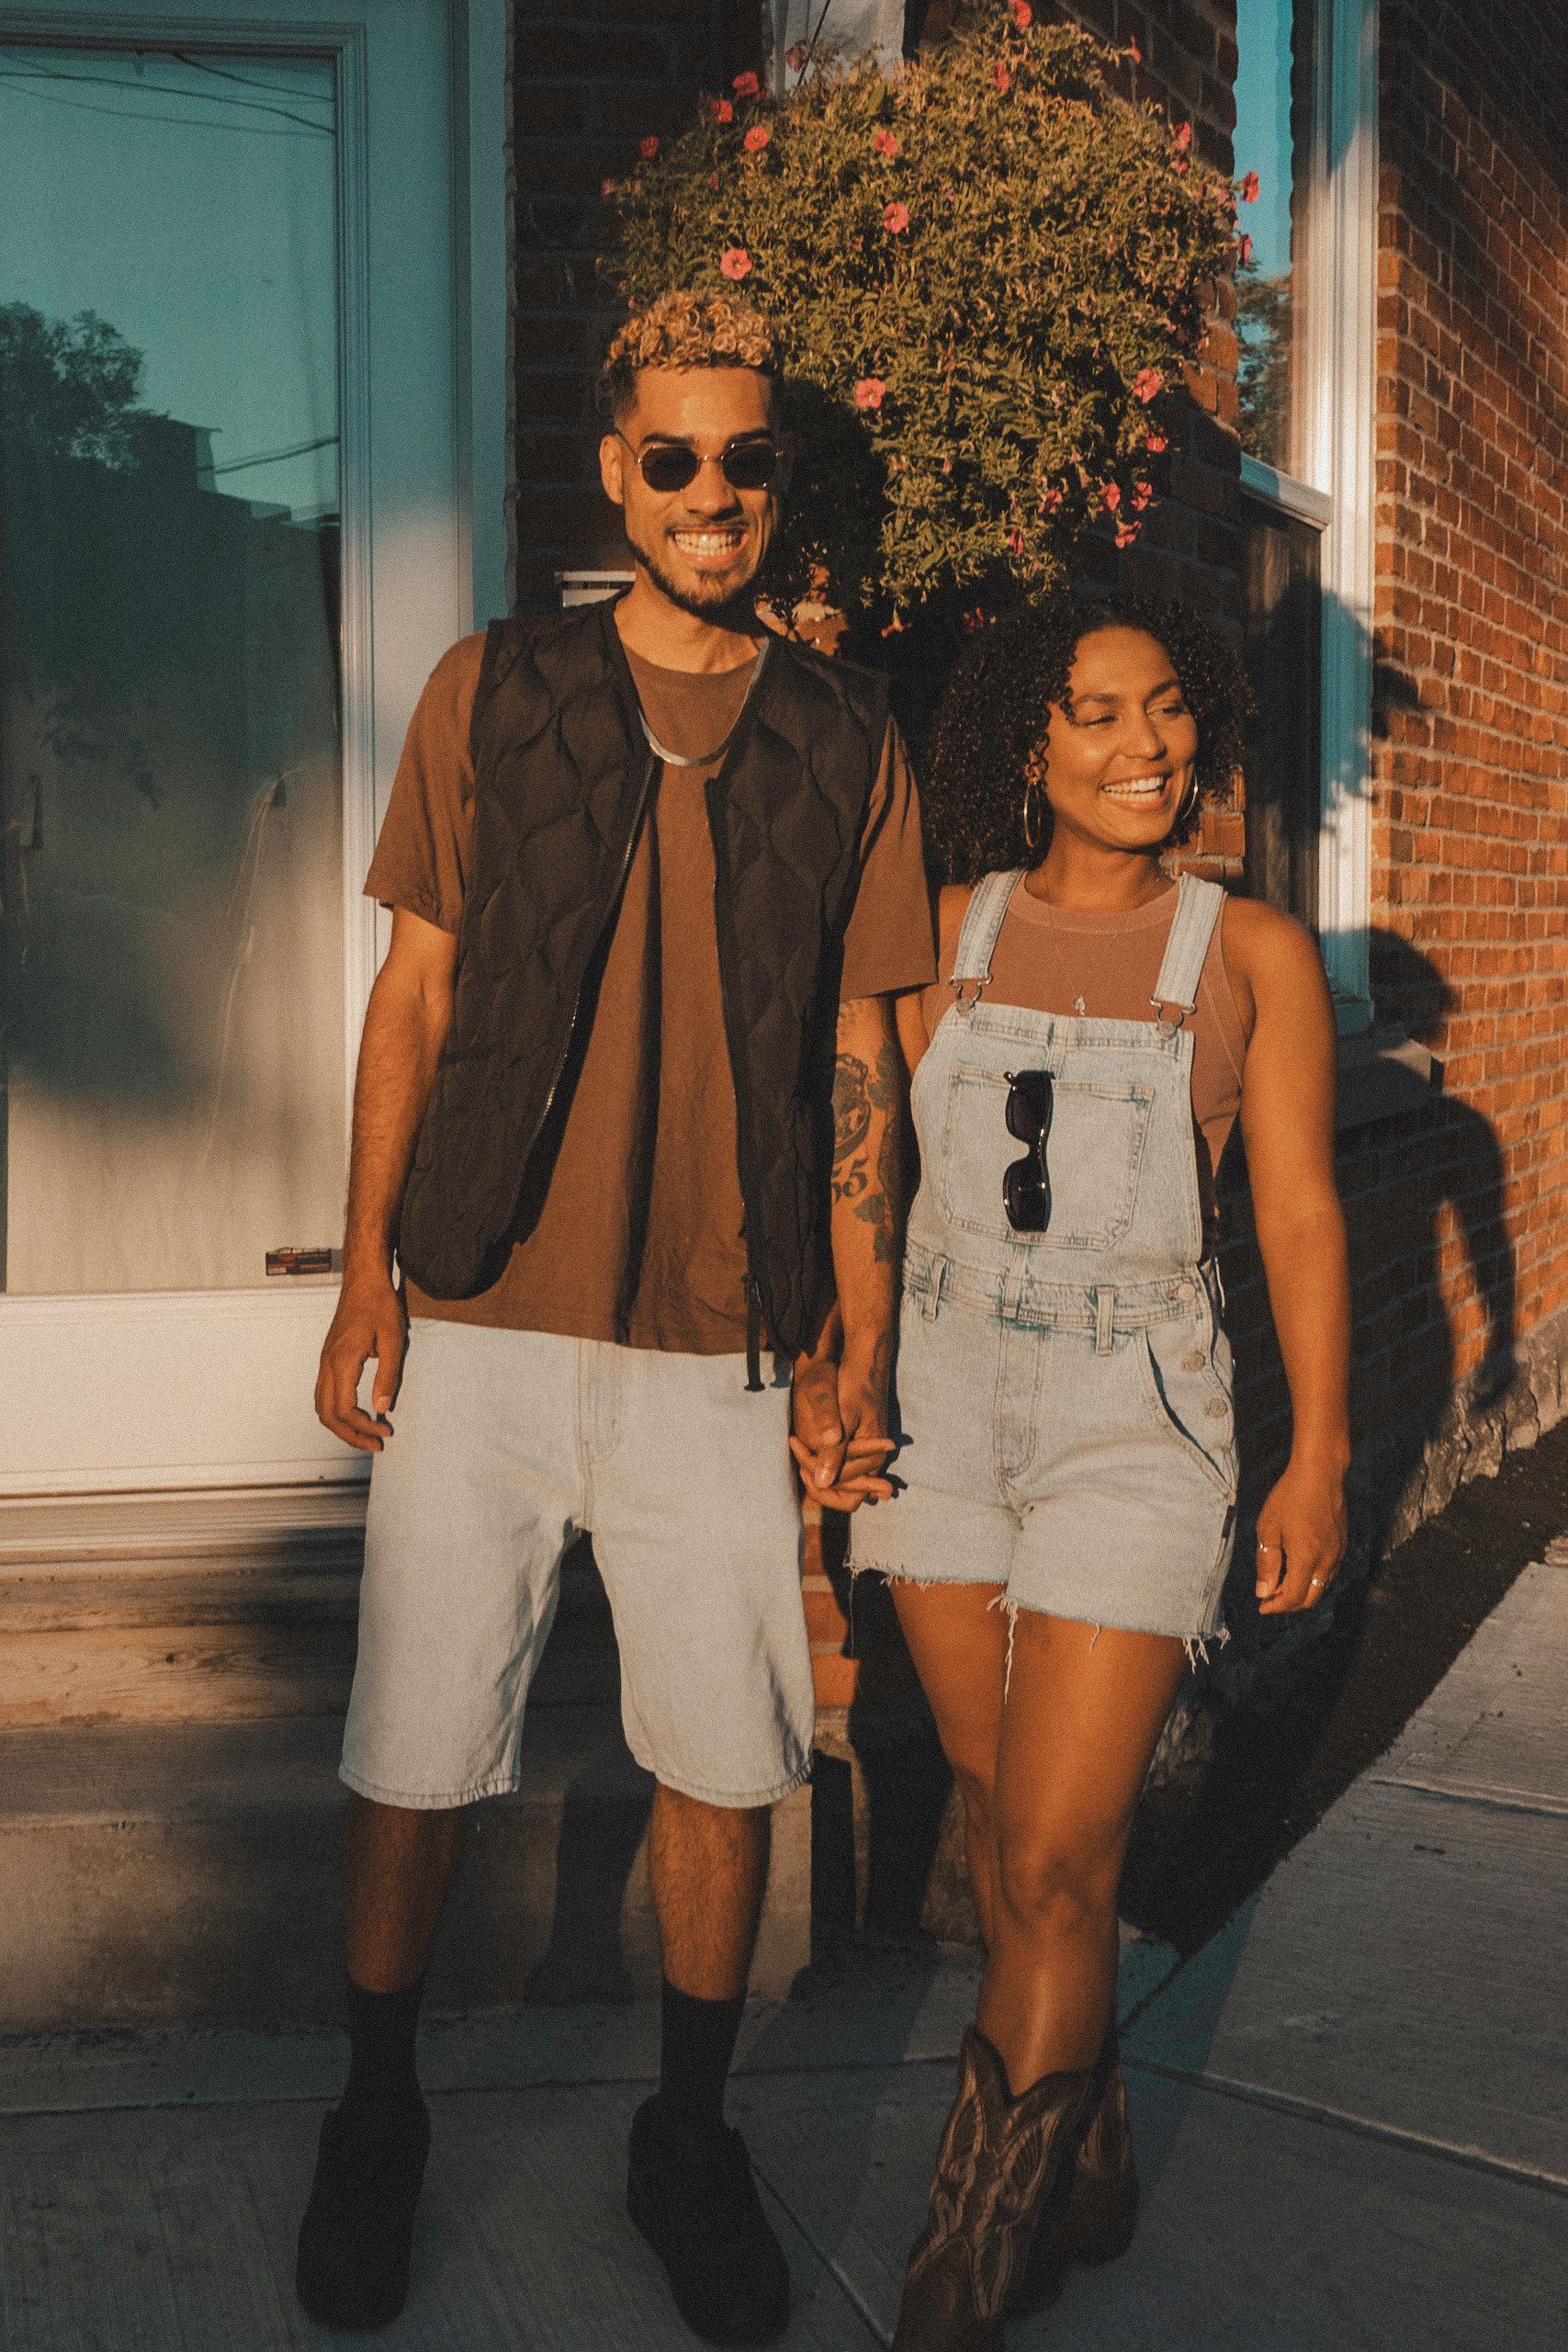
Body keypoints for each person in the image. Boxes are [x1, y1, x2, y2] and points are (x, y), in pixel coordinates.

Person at [296, 288, 934, 2342]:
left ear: (775, 481)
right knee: (414, 1738)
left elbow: (862, 1073)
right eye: (673, 457)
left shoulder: (844, 738)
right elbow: (411, 999)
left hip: (718, 1333)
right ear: (614, 472)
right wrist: (364, 1271)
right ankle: (378, 2113)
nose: (711, 494)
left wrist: (853, 1346)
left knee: (727, 1753)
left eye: (745, 460)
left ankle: (684, 2130)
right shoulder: (492, 690)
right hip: (480, 1299)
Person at [799, 590, 1350, 2352]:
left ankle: (967, 2256)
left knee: (1048, 1855)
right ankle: (1089, 2132)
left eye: (1170, 709)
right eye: (1100, 716)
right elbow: (865, 1172)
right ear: (1024, 746)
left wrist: (1319, 1451)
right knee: (1000, 1811)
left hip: (1137, 1415)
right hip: (945, 1402)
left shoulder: (1243, 953)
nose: (1149, 747)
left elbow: (1298, 1210)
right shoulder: (945, 934)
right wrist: (850, 1362)